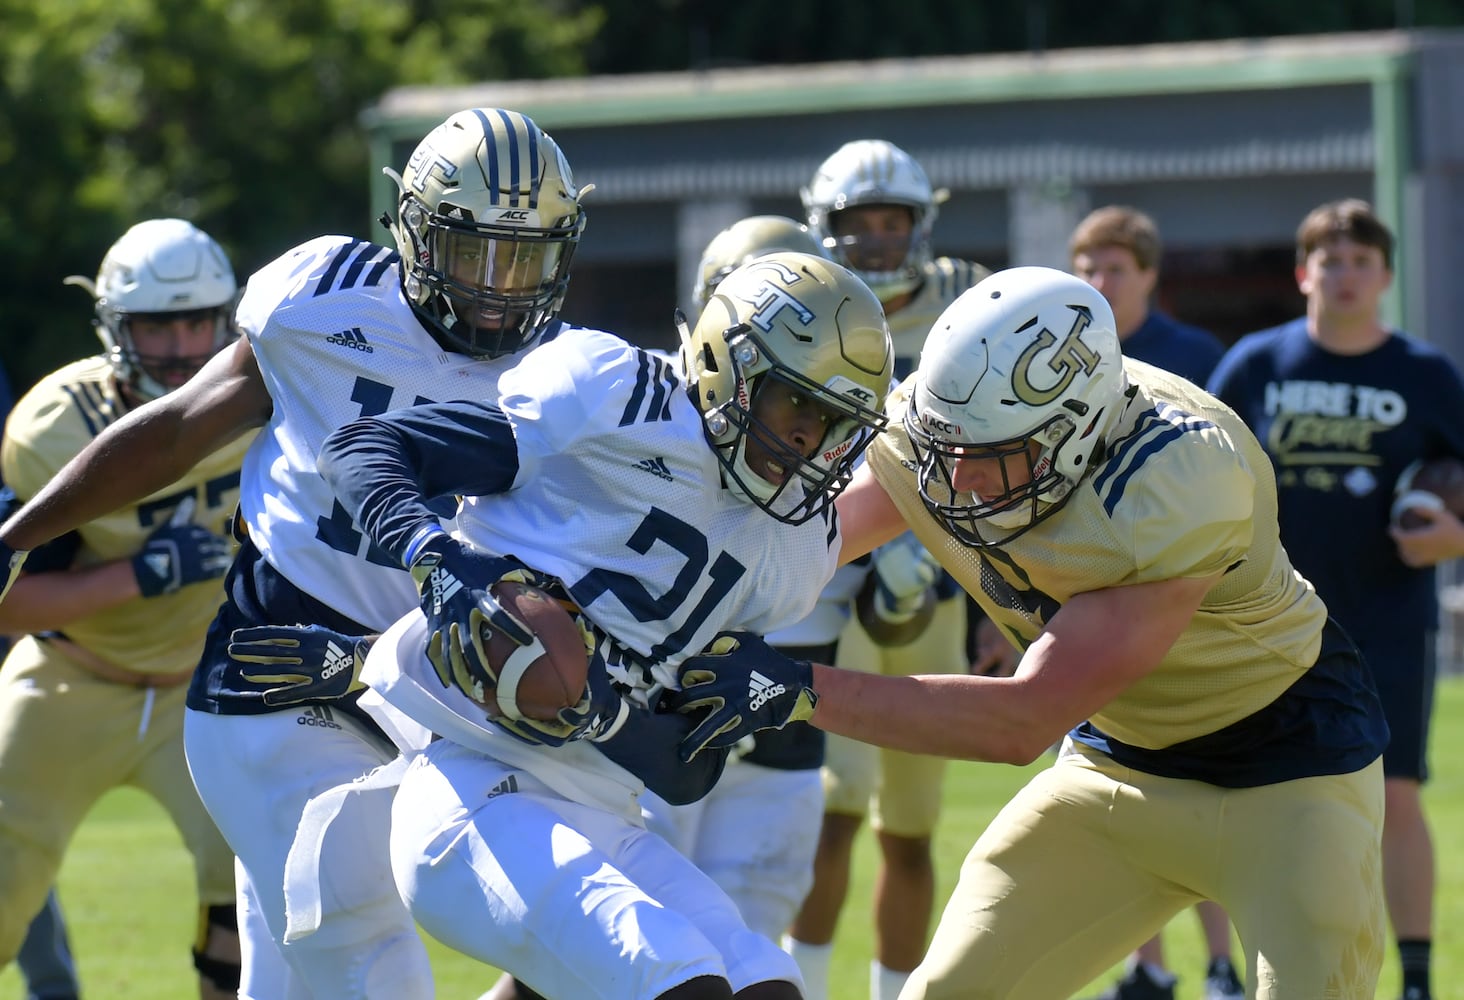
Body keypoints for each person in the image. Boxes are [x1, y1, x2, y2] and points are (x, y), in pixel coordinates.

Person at [666, 265, 1392, 1000]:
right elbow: (804, 546)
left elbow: (1021, 719)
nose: (958, 481)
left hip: (1294, 777)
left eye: (988, 458)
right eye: (946, 450)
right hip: (1121, 770)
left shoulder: (1180, 480)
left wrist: (793, 689)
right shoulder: (949, 426)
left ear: (1071, 436)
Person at [0, 107, 589, 1000]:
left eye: (527, 257)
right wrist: (16, 536)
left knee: (564, 920)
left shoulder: (577, 375)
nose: (499, 287)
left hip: (440, 681)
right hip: (280, 669)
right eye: (474, 254)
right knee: (366, 950)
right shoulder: (323, 296)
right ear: (416, 232)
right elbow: (173, 430)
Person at [307, 249, 893, 1000]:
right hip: (470, 787)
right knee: (681, 985)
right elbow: (364, 448)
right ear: (728, 364)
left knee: (767, 988)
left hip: (606, 815)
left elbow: (685, 771)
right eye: (796, 403)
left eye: (835, 420)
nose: (811, 440)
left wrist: (605, 715)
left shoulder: (795, 547)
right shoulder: (619, 398)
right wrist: (438, 561)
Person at [1207, 198, 1464, 1000]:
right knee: (1243, 792)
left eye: (1361, 261)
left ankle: (1416, 977)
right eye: (1330, 259)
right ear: (1302, 271)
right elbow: (1194, 465)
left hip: (1386, 615)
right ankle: (1238, 970)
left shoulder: (1425, 375)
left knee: (1393, 793)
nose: (1345, 274)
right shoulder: (1257, 364)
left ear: (1385, 276)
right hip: (1265, 616)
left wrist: (1452, 536)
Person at [0, 218, 246, 999]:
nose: (179, 347)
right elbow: (9, 605)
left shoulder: (264, 401)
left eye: (196, 321)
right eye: (156, 325)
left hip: (202, 689)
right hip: (72, 682)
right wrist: (143, 575)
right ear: (115, 327)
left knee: (248, 899)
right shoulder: (55, 429)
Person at [789, 138, 988, 1000]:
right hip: (829, 580)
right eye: (857, 223)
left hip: (937, 585)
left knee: (909, 830)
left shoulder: (970, 303)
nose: (874, 239)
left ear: (921, 223)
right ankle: (794, 984)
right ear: (822, 227)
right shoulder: (798, 301)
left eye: (890, 220)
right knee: (826, 816)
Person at [1070, 205, 1241, 1000]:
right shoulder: (1059, 357)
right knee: (1119, 783)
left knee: (1198, 786)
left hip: (1178, 596)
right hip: (1084, 597)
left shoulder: (1192, 357)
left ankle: (1217, 965)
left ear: (1148, 276)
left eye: (1115, 269)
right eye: (1088, 268)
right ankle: (1151, 967)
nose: (1100, 283)